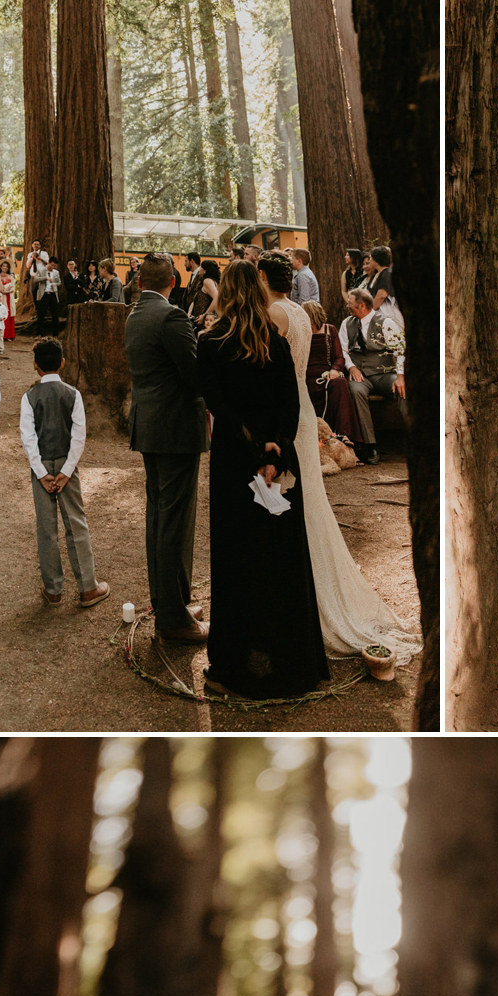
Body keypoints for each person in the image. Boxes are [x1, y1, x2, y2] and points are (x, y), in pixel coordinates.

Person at [256, 251, 420, 666]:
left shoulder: (273, 312)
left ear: (261, 276)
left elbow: (267, 369)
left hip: (285, 410)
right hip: (302, 408)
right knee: (308, 497)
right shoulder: (296, 310)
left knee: (291, 498)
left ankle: (299, 592)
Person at [194, 257, 329, 698]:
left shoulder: (211, 343)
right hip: (279, 461)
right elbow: (289, 405)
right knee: (282, 557)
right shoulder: (274, 341)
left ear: (226, 294)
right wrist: (274, 450)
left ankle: (234, 667)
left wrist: (253, 448)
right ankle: (291, 661)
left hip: (236, 462)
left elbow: (218, 405)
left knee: (237, 559)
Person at [125, 252, 210, 645]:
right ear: (172, 281)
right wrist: (203, 339)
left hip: (150, 427)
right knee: (175, 521)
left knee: (160, 518)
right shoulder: (171, 317)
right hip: (176, 429)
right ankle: (174, 619)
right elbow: (194, 374)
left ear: (141, 281)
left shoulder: (136, 314)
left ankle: (169, 602)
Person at [20, 339, 109, 610]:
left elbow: (28, 437)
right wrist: (67, 471)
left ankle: (53, 590)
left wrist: (42, 472)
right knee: (76, 523)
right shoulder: (73, 394)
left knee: (46, 528)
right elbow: (78, 436)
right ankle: (88, 587)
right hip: (67, 466)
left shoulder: (29, 397)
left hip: (42, 468)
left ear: (35, 365)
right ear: (62, 363)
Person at [340, 288, 401, 463]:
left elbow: (400, 349)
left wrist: (401, 376)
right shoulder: (347, 323)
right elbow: (343, 350)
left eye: (350, 303)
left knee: (402, 391)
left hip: (384, 374)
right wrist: (351, 367)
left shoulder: (386, 322)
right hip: (361, 375)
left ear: (362, 305)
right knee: (355, 391)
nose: (347, 305)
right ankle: (370, 445)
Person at [304, 298, 365, 451]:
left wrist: (335, 369)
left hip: (327, 374)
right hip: (306, 375)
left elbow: (339, 357)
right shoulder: (301, 332)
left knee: (341, 383)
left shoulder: (330, 329)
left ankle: (344, 435)